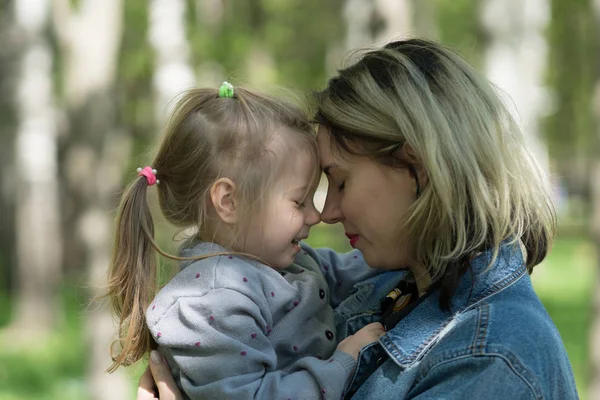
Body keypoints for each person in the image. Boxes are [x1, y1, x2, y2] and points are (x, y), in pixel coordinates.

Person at [137, 39, 579, 399]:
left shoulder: (487, 362)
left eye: (339, 182)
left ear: (416, 168)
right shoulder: (392, 290)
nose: (326, 212)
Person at [108, 82, 388, 400]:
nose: (316, 215)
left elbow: (346, 270)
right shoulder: (210, 302)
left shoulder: (280, 260)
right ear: (229, 202)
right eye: (299, 202)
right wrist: (344, 362)